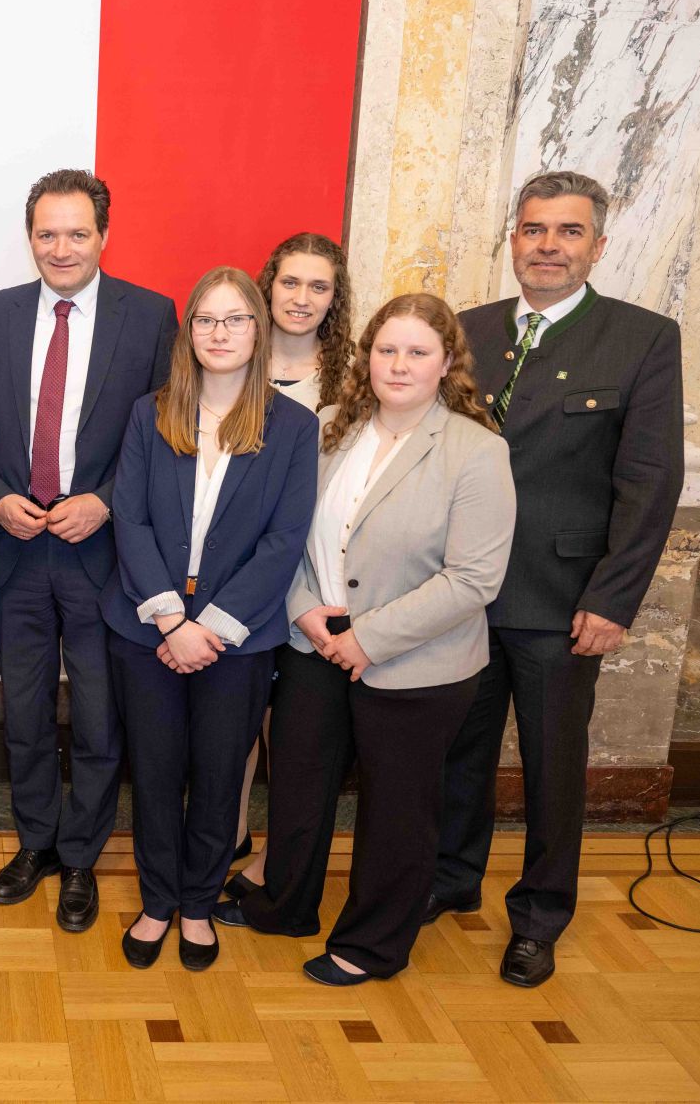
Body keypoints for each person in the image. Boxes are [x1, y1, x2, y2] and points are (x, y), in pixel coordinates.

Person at [431, 171, 683, 988]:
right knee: (457, 753)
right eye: (534, 229)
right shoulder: (466, 330)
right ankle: (449, 877)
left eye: (568, 232)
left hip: (561, 601)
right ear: (513, 240)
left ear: (598, 246)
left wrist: (612, 599)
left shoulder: (640, 337)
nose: (547, 246)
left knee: (551, 765)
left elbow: (650, 483)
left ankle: (539, 916)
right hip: (460, 592)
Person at [221, 293, 516, 985]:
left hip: (416, 663)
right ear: (365, 357)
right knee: (297, 785)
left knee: (397, 808)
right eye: (386, 349)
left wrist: (369, 638)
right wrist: (303, 610)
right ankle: (285, 903)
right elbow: (286, 535)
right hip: (314, 644)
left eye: (418, 352)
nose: (399, 364)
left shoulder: (478, 451)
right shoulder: (328, 428)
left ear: (447, 363)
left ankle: (374, 943)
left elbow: (474, 579)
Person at [0, 169, 179, 932]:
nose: (61, 247)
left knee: (97, 714)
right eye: (46, 233)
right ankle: (35, 843)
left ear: (104, 236)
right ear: (30, 238)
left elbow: (164, 436)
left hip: (103, 554)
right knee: (21, 710)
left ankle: (81, 855)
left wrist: (106, 500)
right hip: (15, 549)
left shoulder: (150, 317)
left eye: (77, 232)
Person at [104, 267, 316, 972]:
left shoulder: (293, 427)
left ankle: (198, 904)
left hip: (239, 637)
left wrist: (211, 627)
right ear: (187, 332)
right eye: (206, 320)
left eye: (235, 319)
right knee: (157, 773)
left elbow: (285, 541)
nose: (219, 333)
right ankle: (157, 902)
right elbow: (128, 519)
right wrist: (171, 619)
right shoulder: (150, 412)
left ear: (259, 329)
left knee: (221, 775)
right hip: (149, 630)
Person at [228, 232, 357, 897]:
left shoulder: (353, 381)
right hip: (230, 571)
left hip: (307, 577)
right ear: (267, 286)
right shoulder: (228, 355)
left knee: (293, 724)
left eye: (319, 287)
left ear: (335, 300)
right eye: (290, 283)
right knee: (235, 712)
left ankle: (279, 852)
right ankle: (228, 828)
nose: (302, 298)